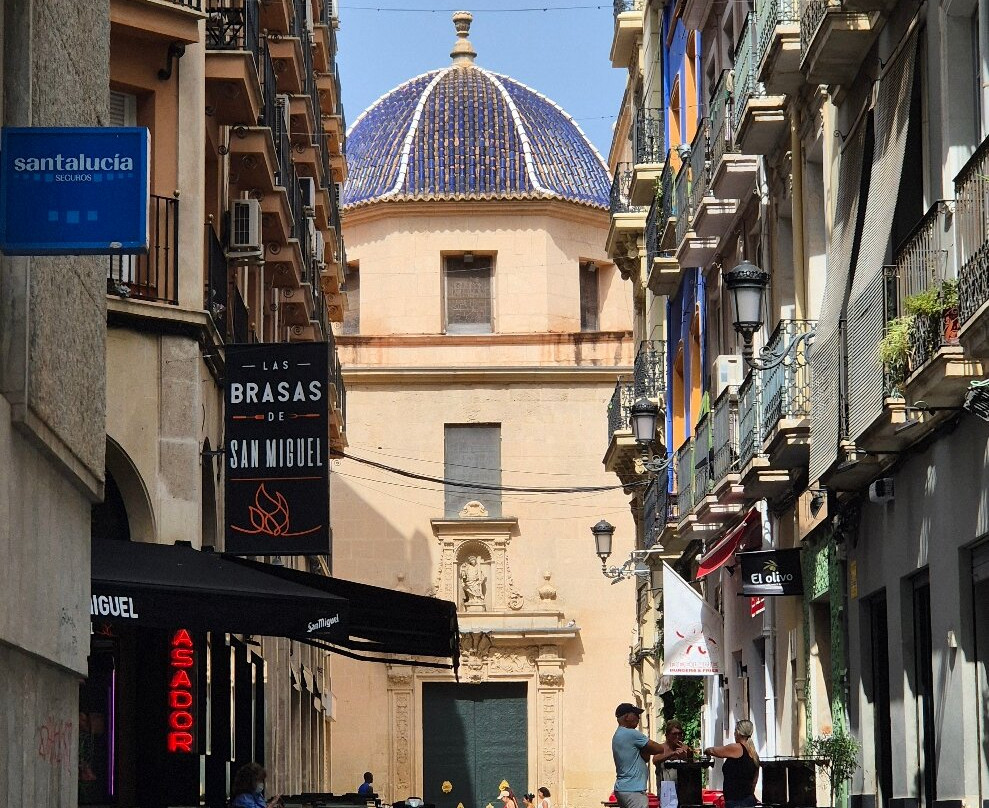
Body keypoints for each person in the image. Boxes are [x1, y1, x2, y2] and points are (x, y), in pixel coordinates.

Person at [612, 702, 664, 808]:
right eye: (635, 714)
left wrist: (644, 749)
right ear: (626, 716)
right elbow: (659, 748)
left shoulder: (618, 734)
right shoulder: (631, 733)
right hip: (633, 790)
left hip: (624, 788)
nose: (638, 717)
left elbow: (645, 758)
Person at [704, 720, 760, 808]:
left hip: (736, 802)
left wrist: (706, 751)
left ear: (738, 732)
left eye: (735, 731)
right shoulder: (754, 753)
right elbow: (754, 781)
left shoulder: (737, 748)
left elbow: (714, 751)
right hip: (749, 800)